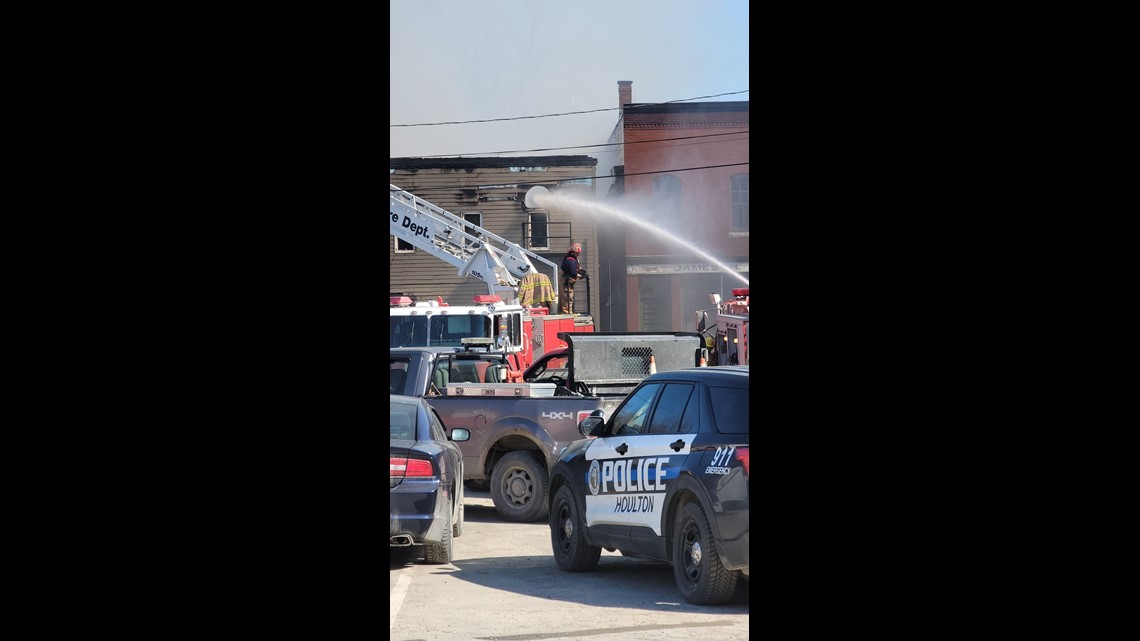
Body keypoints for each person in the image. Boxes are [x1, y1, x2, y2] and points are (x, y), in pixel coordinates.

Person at [560, 242, 587, 314]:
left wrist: (581, 271)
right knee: (568, 297)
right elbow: (573, 272)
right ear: (572, 252)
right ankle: (567, 314)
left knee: (570, 297)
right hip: (566, 282)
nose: (578, 254)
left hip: (570, 282)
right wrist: (580, 275)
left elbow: (577, 268)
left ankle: (569, 312)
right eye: (577, 253)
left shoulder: (574, 259)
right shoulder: (570, 260)